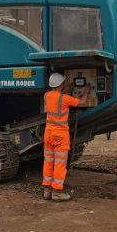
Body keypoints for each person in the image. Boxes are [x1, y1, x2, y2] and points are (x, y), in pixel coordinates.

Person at [42, 72, 90, 202]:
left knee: (48, 162)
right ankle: (57, 192)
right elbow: (82, 101)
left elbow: (58, 95)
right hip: (60, 135)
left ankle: (47, 190)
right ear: (61, 84)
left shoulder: (47, 96)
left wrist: (68, 88)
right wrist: (86, 91)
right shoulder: (65, 99)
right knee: (59, 164)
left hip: (49, 134)